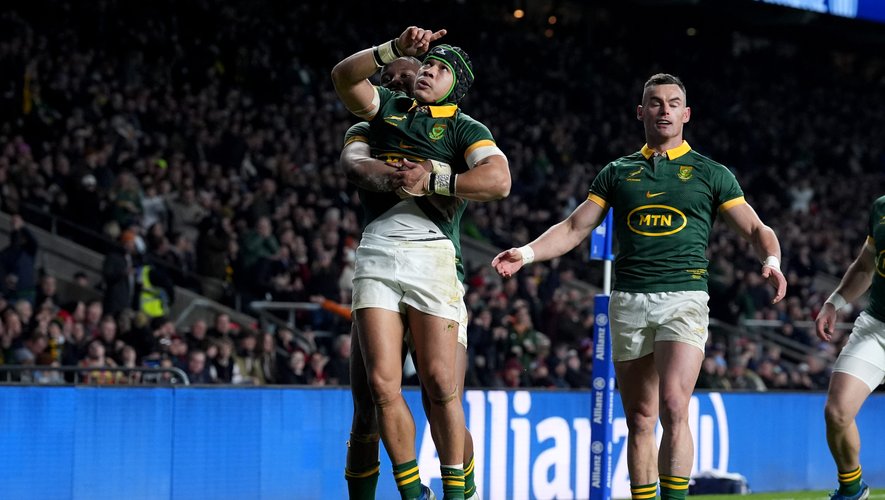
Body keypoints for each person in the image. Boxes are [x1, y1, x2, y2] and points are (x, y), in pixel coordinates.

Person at [492, 73, 786, 500]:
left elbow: (757, 228)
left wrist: (771, 260)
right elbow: (575, 226)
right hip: (628, 300)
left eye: (672, 103)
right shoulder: (617, 172)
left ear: (686, 114)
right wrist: (528, 253)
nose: (664, 109)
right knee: (641, 418)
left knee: (673, 404)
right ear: (641, 112)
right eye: (654, 102)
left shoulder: (710, 173)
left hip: (683, 296)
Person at [333, 26, 510, 500]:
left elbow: (498, 180)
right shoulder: (376, 116)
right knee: (375, 393)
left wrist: (433, 178)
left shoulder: (465, 128)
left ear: (456, 83)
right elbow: (345, 85)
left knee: (440, 389)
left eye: (433, 68)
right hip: (377, 251)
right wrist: (387, 47)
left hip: (434, 258)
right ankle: (414, 495)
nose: (417, 73)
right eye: (412, 67)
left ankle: (461, 493)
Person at [814, 196, 885, 500]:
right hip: (877, 327)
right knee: (838, 412)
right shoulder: (881, 207)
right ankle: (852, 489)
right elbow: (866, 266)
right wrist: (835, 302)